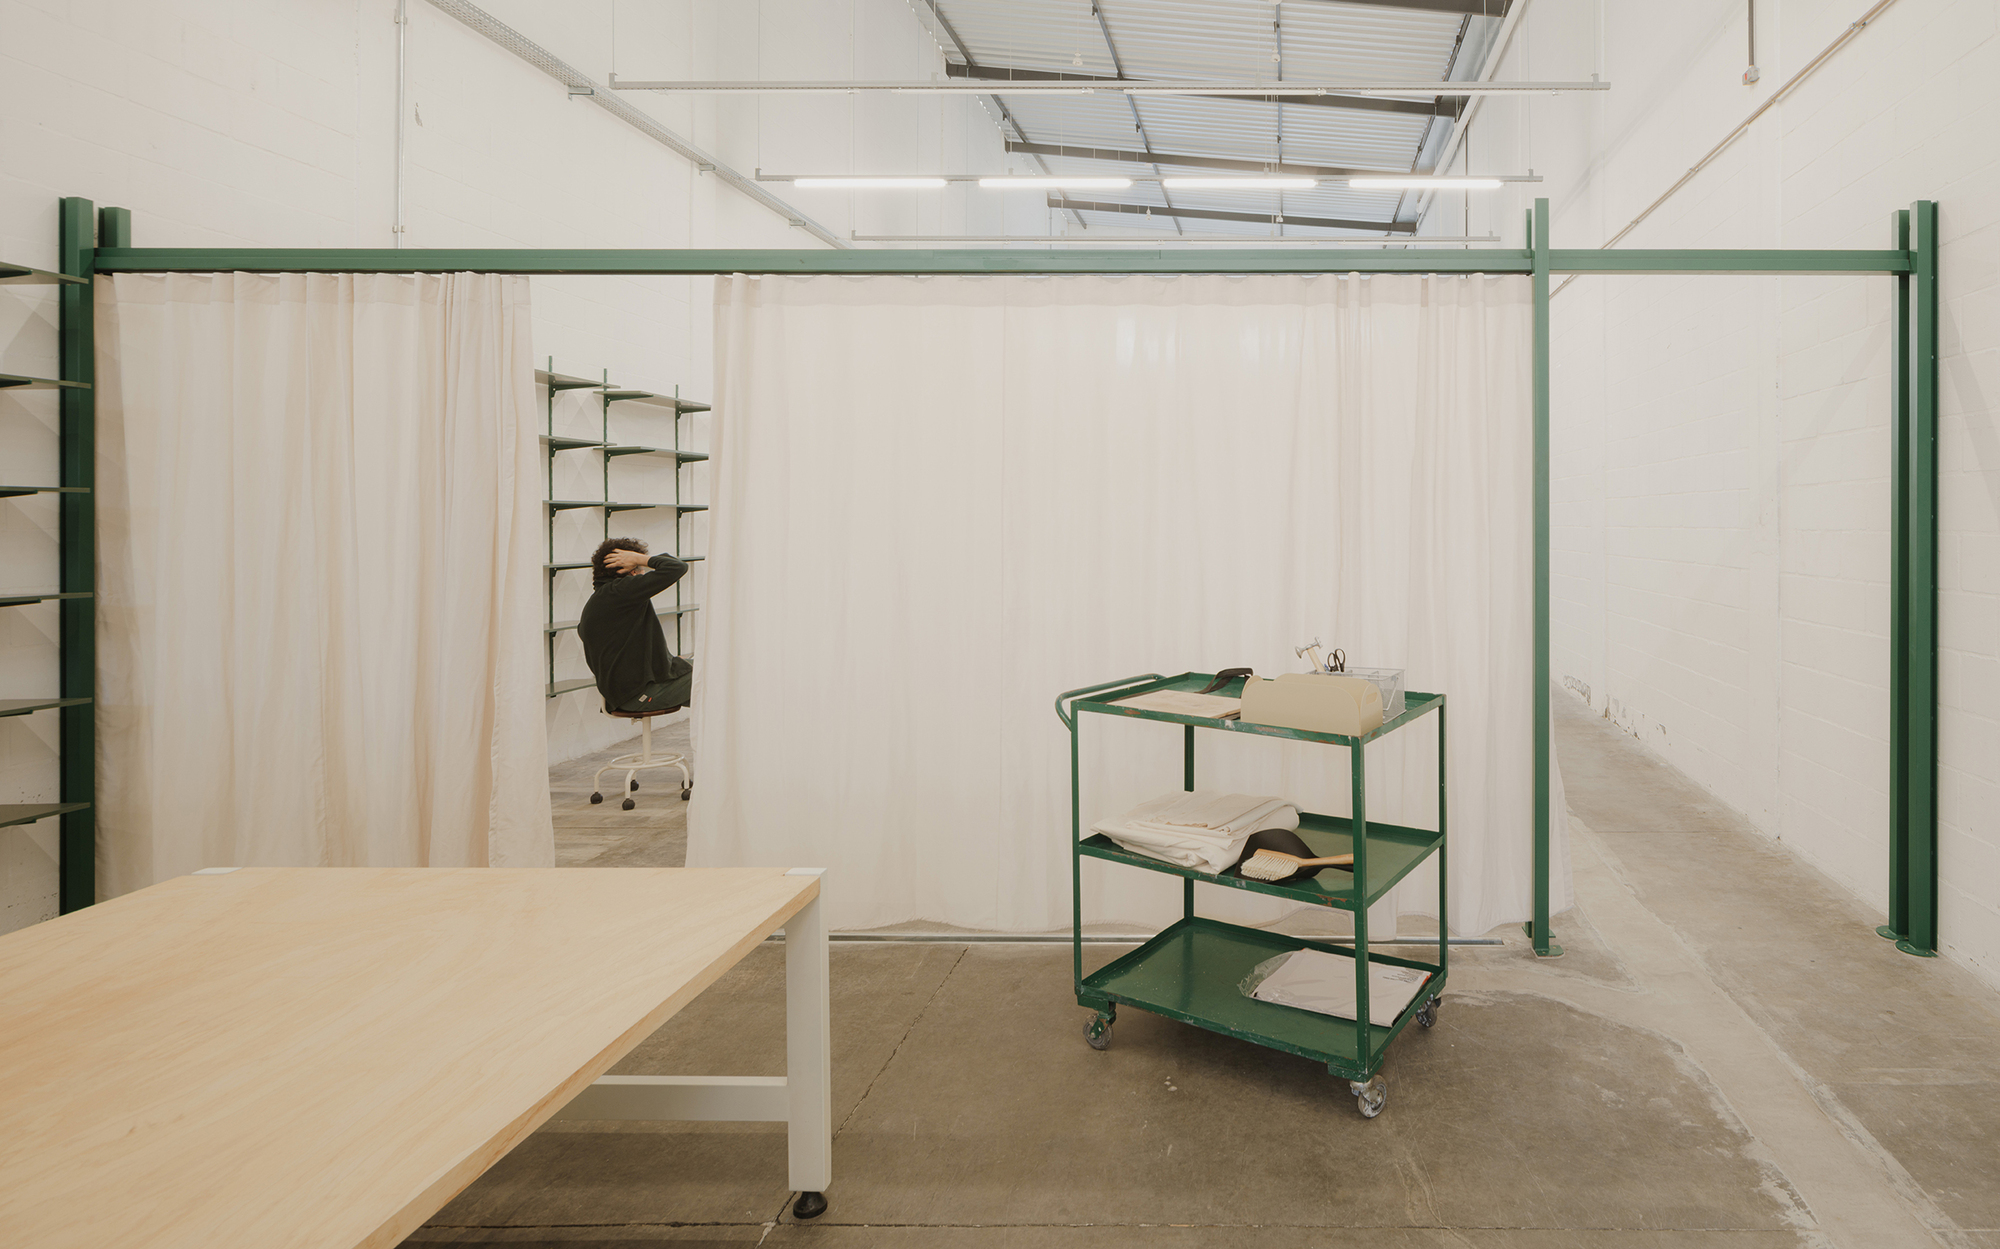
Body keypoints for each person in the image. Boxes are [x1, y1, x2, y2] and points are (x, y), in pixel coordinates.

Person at [577, 538, 692, 714]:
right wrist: (639, 558)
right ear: (630, 570)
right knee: (721, 674)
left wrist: (671, 661)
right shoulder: (620, 592)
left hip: (624, 694)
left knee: (712, 678)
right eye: (640, 567)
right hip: (638, 695)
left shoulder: (603, 597)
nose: (644, 572)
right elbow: (677, 567)